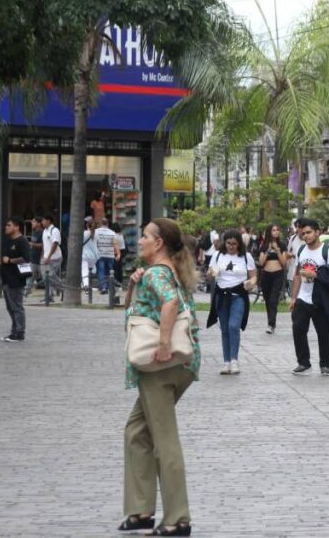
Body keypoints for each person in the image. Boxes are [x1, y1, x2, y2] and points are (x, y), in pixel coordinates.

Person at [119, 218, 200, 537]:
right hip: (176, 367)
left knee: (163, 440)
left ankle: (178, 519)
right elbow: (138, 306)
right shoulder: (166, 271)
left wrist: (164, 345)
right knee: (136, 431)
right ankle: (140, 511)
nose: (139, 240)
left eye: (145, 236)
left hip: (160, 365)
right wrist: (132, 284)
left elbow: (170, 304)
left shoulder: (158, 273)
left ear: (159, 244)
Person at [289, 218, 329, 376]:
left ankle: (325, 365)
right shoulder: (301, 251)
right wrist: (293, 297)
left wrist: (316, 275)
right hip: (303, 298)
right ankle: (303, 362)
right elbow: (298, 274)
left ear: (318, 232)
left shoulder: (328, 251)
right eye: (303, 233)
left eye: (309, 232)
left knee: (324, 333)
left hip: (321, 300)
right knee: (298, 329)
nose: (306, 236)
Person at [206, 229, 257, 375]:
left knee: (233, 326)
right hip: (221, 295)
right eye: (228, 243)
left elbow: (253, 276)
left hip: (238, 295)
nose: (231, 246)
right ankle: (226, 361)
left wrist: (251, 283)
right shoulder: (217, 255)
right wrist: (210, 274)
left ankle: (234, 360)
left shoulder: (246, 257)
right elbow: (210, 274)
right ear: (224, 243)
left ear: (239, 244)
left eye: (234, 243)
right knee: (224, 329)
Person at [0, 217, 29, 342]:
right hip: (6, 278)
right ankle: (14, 331)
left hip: (16, 279)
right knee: (10, 307)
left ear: (16, 227)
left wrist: (10, 260)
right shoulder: (8, 241)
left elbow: (26, 258)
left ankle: (20, 332)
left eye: (9, 225)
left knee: (17, 306)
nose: (6, 227)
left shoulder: (22, 241)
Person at [257, 224, 288, 334]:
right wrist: (268, 250)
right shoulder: (264, 245)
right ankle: (270, 322)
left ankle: (271, 324)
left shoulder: (282, 245)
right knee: (267, 300)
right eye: (273, 230)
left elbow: (284, 263)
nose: (276, 232)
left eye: (277, 230)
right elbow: (261, 263)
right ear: (269, 232)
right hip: (266, 275)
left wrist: (277, 250)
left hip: (278, 275)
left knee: (273, 300)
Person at [95, 217, 121, 293]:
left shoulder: (96, 232)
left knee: (101, 271)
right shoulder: (112, 233)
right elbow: (115, 244)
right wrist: (118, 254)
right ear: (108, 224)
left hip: (100, 255)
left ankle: (103, 287)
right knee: (110, 272)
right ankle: (110, 287)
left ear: (100, 223)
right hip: (110, 255)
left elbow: (94, 243)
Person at [41, 214, 62, 303]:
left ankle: (62, 290)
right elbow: (44, 244)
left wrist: (49, 257)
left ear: (48, 221)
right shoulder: (44, 231)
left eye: (43, 220)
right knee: (47, 277)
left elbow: (55, 244)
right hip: (46, 257)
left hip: (55, 257)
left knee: (50, 276)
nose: (42, 222)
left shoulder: (54, 230)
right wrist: (43, 256)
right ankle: (49, 295)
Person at [26, 218, 44, 296]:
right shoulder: (34, 232)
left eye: (34, 222)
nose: (32, 223)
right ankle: (26, 292)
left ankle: (60, 289)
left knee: (48, 277)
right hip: (33, 259)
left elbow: (43, 245)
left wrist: (32, 244)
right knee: (29, 276)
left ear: (39, 224)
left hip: (40, 260)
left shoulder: (42, 233)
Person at [81, 218, 99, 291]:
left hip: (85, 255)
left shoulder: (84, 233)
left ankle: (86, 284)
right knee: (90, 271)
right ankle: (89, 284)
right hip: (94, 256)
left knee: (84, 269)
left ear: (86, 225)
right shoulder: (96, 233)